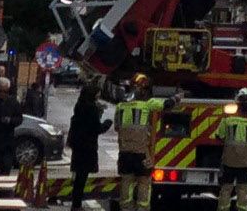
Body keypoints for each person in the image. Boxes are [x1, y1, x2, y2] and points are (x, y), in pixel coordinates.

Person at [114, 75, 171, 211]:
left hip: (124, 154)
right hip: (141, 155)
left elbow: (117, 127)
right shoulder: (148, 104)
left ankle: (126, 207)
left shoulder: (120, 106)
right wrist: (178, 97)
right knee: (144, 182)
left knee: (126, 182)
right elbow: (167, 105)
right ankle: (142, 208)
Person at [68, 84, 112, 211]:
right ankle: (77, 205)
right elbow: (96, 128)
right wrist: (107, 123)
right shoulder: (91, 108)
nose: (99, 95)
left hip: (78, 145)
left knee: (78, 176)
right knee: (82, 177)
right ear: (93, 94)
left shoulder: (79, 106)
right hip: (87, 147)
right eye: (98, 93)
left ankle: (75, 204)